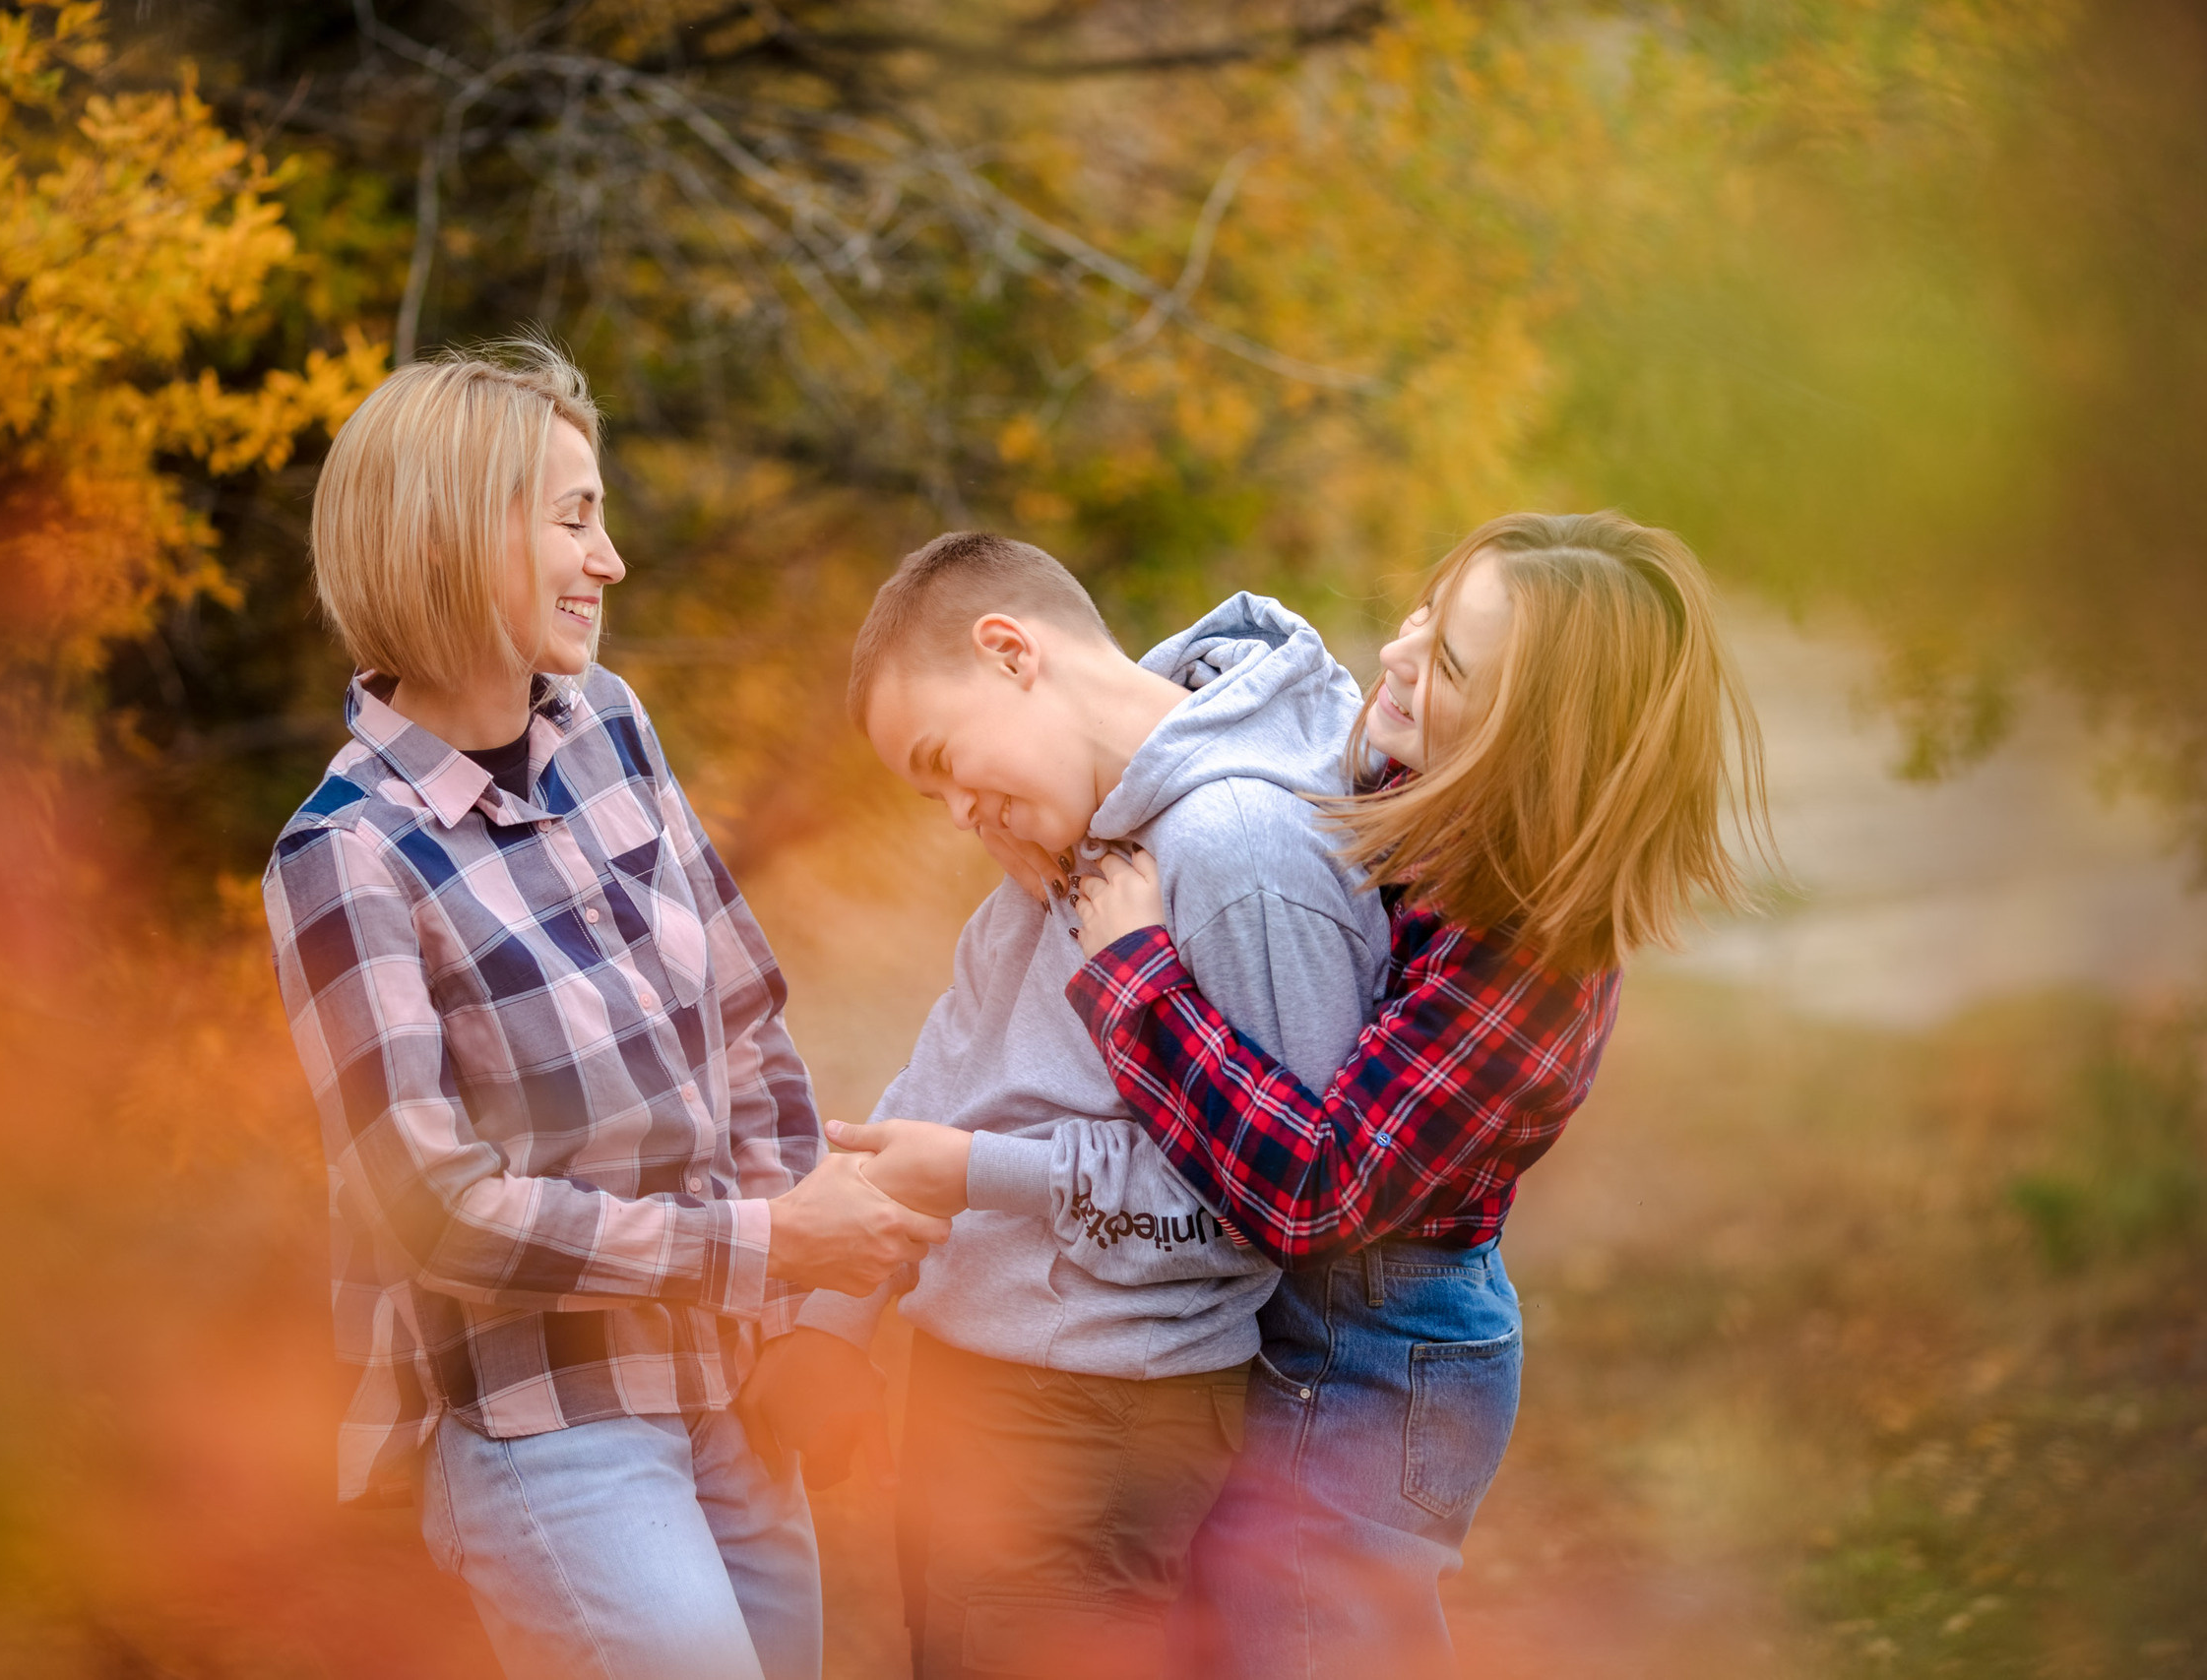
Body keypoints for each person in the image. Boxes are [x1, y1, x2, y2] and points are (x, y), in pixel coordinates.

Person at [260, 340, 951, 1680]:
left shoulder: (608, 724)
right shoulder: (343, 853)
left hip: (723, 1382)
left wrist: (794, 1315)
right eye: (574, 517)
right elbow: (431, 1204)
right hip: (549, 1427)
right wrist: (764, 1243)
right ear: (454, 533)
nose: (610, 556)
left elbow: (744, 1017)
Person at [1040, 510, 1774, 1677]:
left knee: (1303, 1639)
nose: (1397, 652)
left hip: (1383, 1350)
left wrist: (1136, 975)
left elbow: (1316, 1190)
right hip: (1315, 1318)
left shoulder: (1531, 957)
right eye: (1427, 610)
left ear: (1534, 742)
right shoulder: (1418, 789)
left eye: (1449, 666)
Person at [737, 531, 1392, 1680]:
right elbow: (946, 1084)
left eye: (942, 756)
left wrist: (981, 1175)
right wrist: (836, 1322)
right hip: (985, 1392)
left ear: (1008, 652)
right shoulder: (1066, 842)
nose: (952, 810)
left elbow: (1273, 1208)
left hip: (1093, 1413)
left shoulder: (1238, 851)